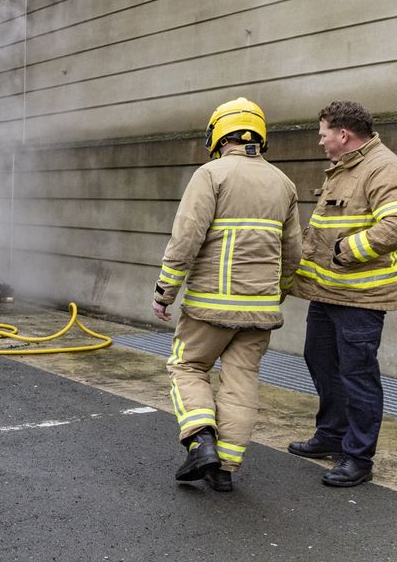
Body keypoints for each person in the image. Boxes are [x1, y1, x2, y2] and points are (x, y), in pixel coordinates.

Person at [152, 97, 301, 492]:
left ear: (218, 134)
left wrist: (165, 291)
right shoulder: (284, 183)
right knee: (241, 381)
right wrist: (277, 293)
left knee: (188, 367)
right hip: (261, 310)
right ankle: (225, 469)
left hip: (209, 307)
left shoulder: (210, 174)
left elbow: (186, 238)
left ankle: (201, 441)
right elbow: (293, 253)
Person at [288, 100, 397, 487]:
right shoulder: (345, 169)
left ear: (343, 134)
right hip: (327, 292)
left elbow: (394, 224)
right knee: (319, 360)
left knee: (358, 375)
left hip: (359, 299)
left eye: (323, 134)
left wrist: (345, 252)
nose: (320, 142)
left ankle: (358, 457)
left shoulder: (383, 167)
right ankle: (331, 436)